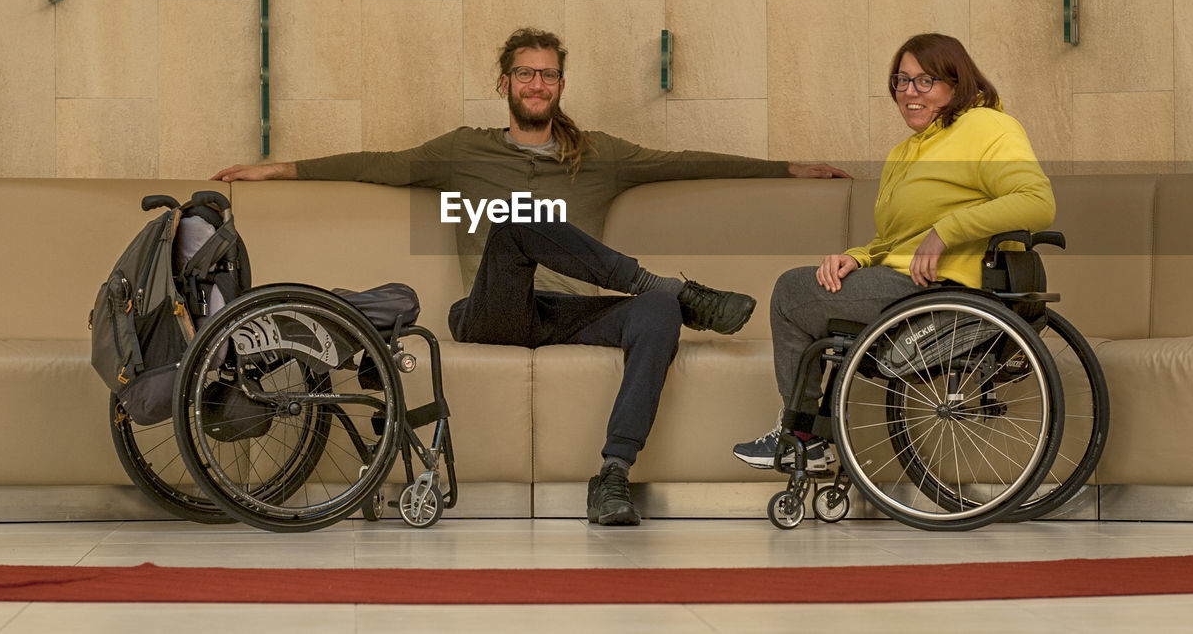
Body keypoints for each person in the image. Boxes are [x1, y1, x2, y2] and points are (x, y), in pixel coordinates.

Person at [215, 27, 849, 526]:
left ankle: (613, 475)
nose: (537, 83)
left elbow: (684, 161)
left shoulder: (595, 154)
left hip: (573, 314)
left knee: (655, 317)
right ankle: (671, 289)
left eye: (548, 74)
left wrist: (788, 168)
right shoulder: (464, 149)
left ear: (560, 85)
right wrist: (277, 171)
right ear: (504, 83)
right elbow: (382, 163)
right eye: (526, 72)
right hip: (493, 312)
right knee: (517, 224)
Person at [732, 33, 1055, 470]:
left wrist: (947, 232)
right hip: (907, 282)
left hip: (948, 285)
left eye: (925, 81)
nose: (908, 93)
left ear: (957, 83)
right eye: (900, 81)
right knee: (812, 285)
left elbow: (1037, 202)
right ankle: (808, 434)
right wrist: (858, 257)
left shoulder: (987, 126)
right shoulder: (903, 153)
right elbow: (897, 239)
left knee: (791, 292)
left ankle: (801, 435)